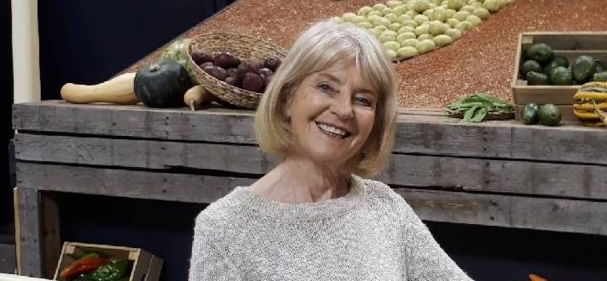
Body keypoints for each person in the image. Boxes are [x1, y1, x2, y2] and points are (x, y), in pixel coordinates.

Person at [188, 20, 473, 280]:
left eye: (363, 100)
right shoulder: (224, 230)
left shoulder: (386, 209)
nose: (343, 110)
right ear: (286, 98)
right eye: (326, 87)